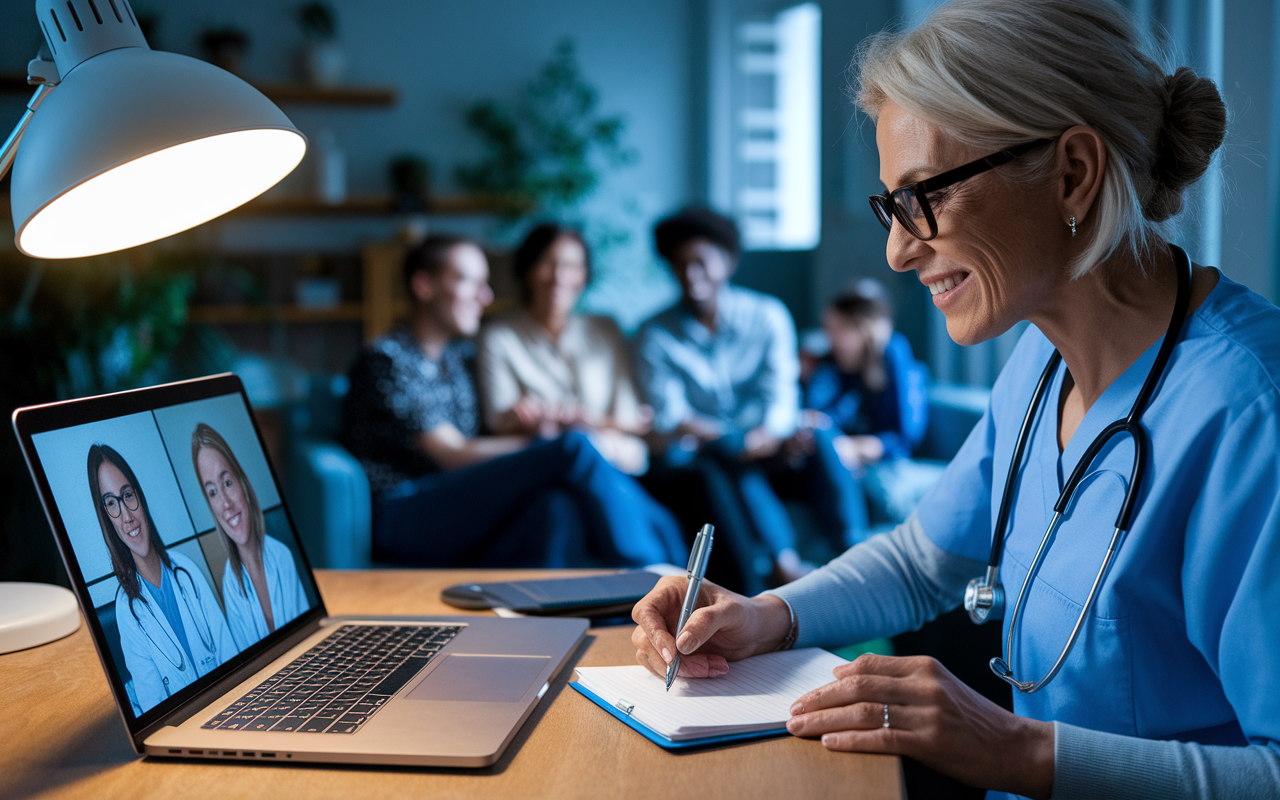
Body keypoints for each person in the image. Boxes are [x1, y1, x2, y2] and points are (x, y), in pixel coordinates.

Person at [630, 1, 1280, 798]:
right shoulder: (1042, 359)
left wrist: (1016, 752)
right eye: (891, 205)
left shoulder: (1253, 416)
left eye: (922, 195)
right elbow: (920, 562)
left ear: (1073, 173)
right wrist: (767, 616)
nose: (900, 250)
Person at [343, 233, 686, 569]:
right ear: (424, 286)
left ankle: (562, 615)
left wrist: (538, 426)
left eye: (486, 283)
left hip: (453, 501)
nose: (485, 296)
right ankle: (652, 574)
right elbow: (451, 453)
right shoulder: (388, 358)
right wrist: (544, 445)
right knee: (573, 447)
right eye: (469, 281)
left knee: (555, 504)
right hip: (404, 512)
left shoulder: (455, 359)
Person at [635, 208, 866, 590]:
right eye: (679, 266)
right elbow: (670, 414)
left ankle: (856, 556)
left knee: (820, 435)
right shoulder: (654, 334)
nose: (691, 276)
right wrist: (738, 441)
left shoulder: (767, 316)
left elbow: (780, 395)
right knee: (727, 456)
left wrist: (769, 435)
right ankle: (782, 563)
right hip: (711, 452)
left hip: (772, 442)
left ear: (728, 262)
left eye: (700, 263)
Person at [477, 223, 650, 475]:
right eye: (547, 263)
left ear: (584, 276)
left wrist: (583, 422)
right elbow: (499, 423)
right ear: (527, 270)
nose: (558, 277)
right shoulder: (499, 336)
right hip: (536, 462)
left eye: (571, 266)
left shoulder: (605, 329)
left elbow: (632, 420)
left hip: (610, 457)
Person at [90, 443, 236, 713]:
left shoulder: (187, 571)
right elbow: (153, 705)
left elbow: (230, 654)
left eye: (127, 495)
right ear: (107, 520)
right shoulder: (127, 610)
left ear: (140, 499)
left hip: (230, 704)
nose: (126, 516)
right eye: (112, 504)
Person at [805, 288, 934, 525]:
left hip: (883, 464)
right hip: (836, 463)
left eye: (839, 330)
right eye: (828, 330)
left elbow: (905, 436)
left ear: (863, 330)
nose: (830, 339)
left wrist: (852, 448)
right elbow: (820, 416)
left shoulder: (893, 353)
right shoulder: (831, 365)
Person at [192, 423, 308, 651]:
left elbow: (308, 635)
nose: (225, 503)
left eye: (227, 482)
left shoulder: (282, 556)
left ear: (243, 484)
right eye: (213, 492)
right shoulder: (231, 586)